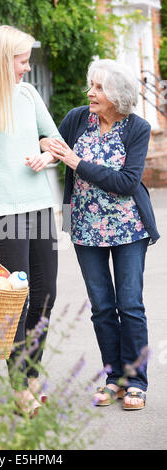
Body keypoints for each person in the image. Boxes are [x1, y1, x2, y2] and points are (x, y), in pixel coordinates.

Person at [41, 59, 160, 410]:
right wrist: (46, 154)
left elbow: (126, 182)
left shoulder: (136, 128)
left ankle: (136, 380)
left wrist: (76, 162)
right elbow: (54, 146)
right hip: (85, 228)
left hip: (129, 227)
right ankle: (114, 379)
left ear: (117, 95)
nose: (90, 93)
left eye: (98, 88)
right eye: (90, 85)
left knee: (130, 305)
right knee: (102, 307)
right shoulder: (78, 118)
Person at [0, 25, 63, 415]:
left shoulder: (29, 94)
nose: (26, 68)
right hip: (2, 216)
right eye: (22, 62)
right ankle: (20, 385)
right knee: (14, 302)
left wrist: (46, 155)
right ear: (4, 61)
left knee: (45, 295)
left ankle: (32, 372)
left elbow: (54, 140)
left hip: (39, 207)